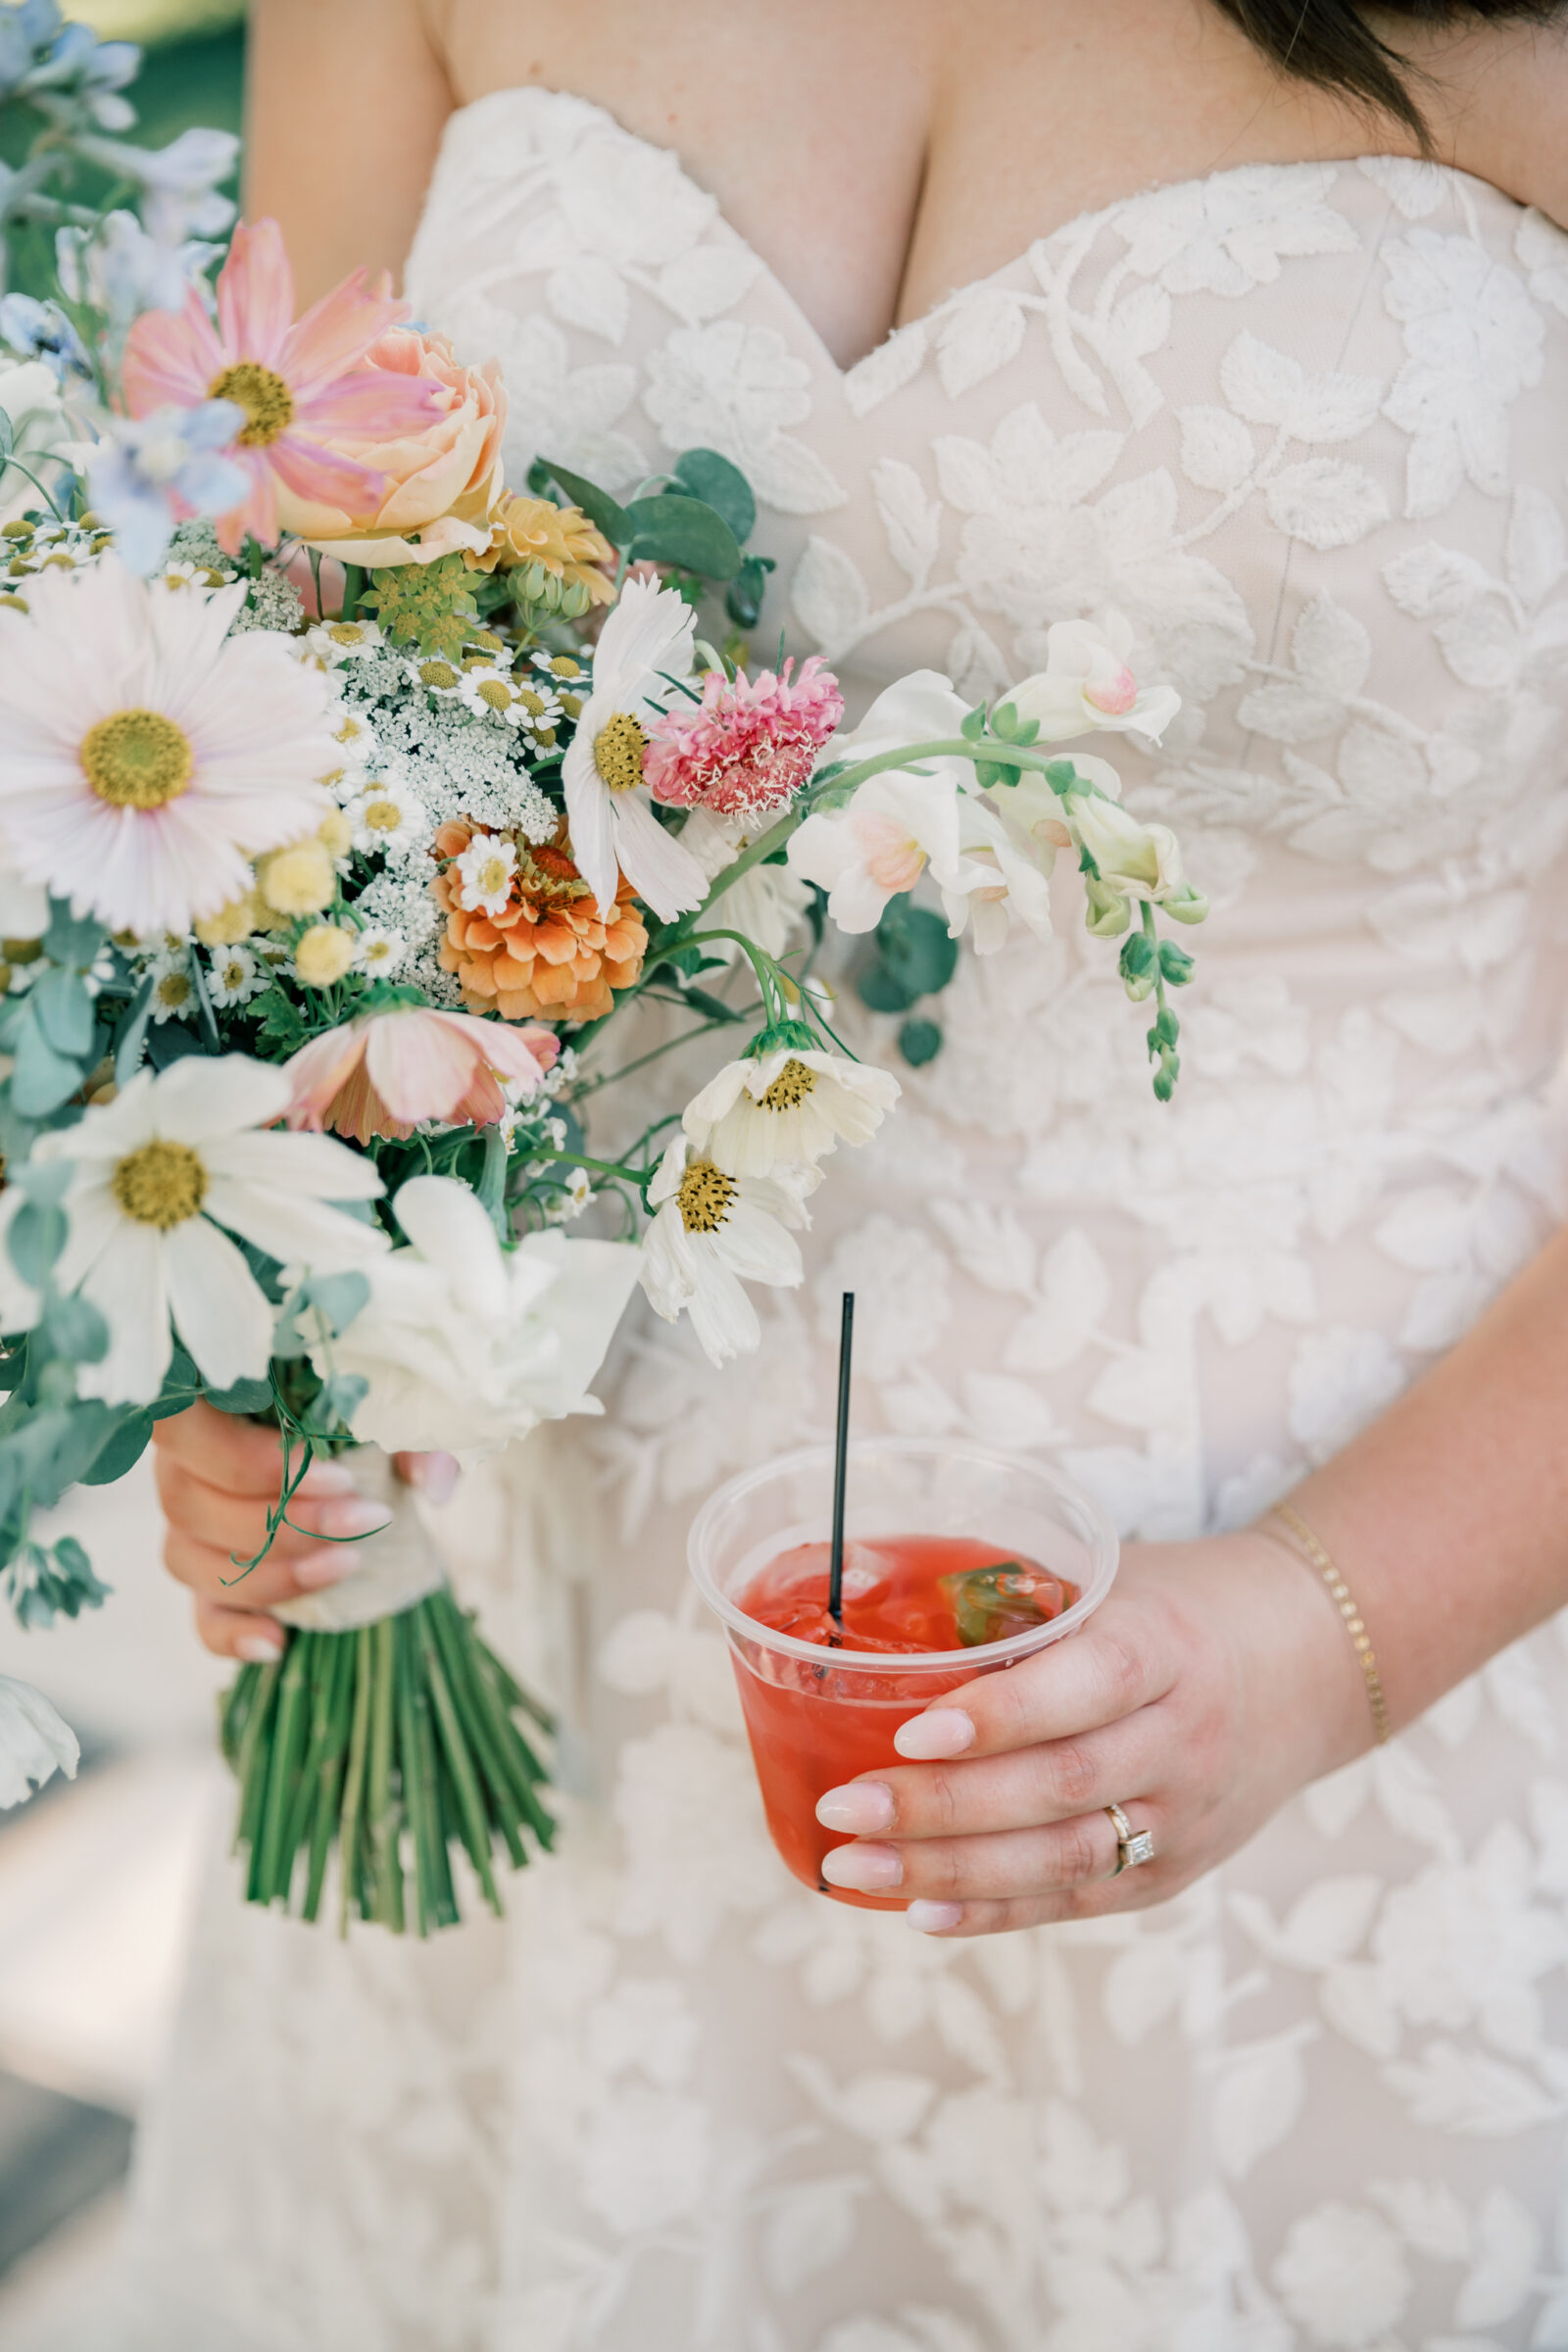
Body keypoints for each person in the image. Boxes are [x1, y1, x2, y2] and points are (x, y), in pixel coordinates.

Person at [124, 2, 1568, 2345]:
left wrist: (1313, 1644)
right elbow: (298, 737)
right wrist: (294, 1312)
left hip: (1352, 1615)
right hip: (551, 1613)